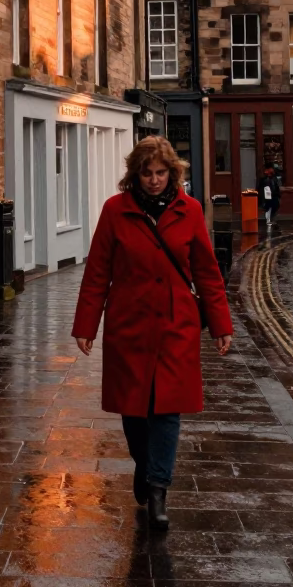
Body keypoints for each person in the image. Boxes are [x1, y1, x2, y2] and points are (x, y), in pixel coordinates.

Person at [71, 136, 233, 531]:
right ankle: (145, 465)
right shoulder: (115, 211)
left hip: (177, 323)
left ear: (172, 174)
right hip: (129, 322)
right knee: (133, 410)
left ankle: (159, 487)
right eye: (147, 173)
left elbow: (208, 273)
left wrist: (221, 325)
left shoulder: (190, 210)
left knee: (167, 409)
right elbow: (98, 272)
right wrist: (86, 325)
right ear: (135, 174)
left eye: (162, 173)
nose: (155, 180)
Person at [257, 163, 281, 228]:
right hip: (267, 196)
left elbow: (276, 186)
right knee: (268, 208)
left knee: (275, 206)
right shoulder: (264, 179)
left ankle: (271, 219)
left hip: (274, 195)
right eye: (270, 169)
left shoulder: (274, 177)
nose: (272, 170)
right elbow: (260, 188)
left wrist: (278, 194)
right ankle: (269, 220)